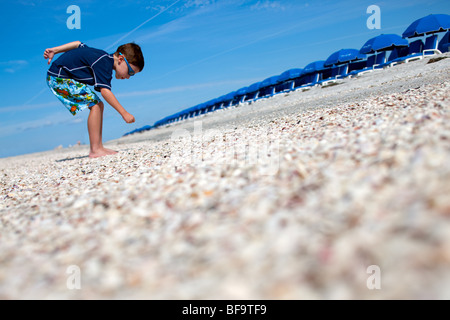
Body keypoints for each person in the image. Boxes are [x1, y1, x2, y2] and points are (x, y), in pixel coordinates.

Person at [43, 41, 144, 158]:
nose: (128, 77)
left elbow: (78, 44)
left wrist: (55, 50)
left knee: (97, 105)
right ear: (121, 59)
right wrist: (124, 113)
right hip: (58, 78)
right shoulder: (104, 63)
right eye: (130, 72)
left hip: (57, 76)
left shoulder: (101, 56)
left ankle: (98, 147)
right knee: (96, 105)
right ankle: (95, 149)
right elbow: (105, 91)